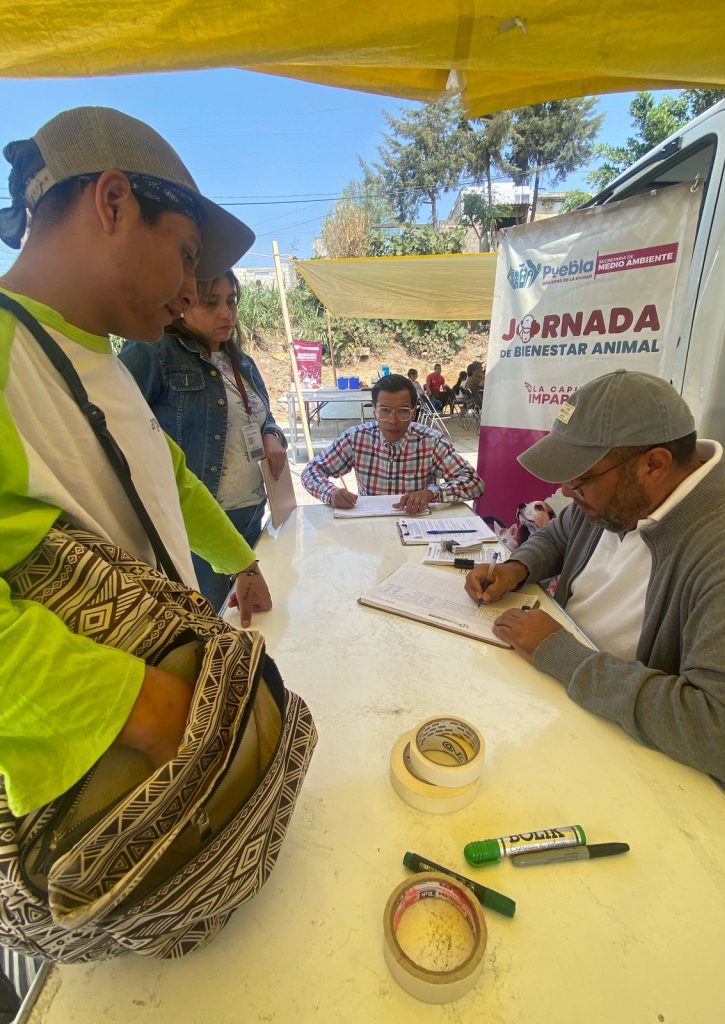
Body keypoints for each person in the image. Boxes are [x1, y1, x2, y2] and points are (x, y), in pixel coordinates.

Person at [0, 106, 270, 822]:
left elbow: (170, 478)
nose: (191, 290)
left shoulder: (104, 357)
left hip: (155, 767)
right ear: (114, 202)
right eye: (186, 254)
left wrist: (240, 560)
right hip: (91, 799)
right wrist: (147, 706)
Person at [465, 369, 725, 792]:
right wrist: (518, 568)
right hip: (562, 696)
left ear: (653, 464)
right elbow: (561, 532)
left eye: (581, 478)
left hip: (632, 765)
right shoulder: (622, 497)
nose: (567, 492)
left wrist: (560, 653)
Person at [120, 270, 287, 610]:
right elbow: (119, 427)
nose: (227, 313)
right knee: (210, 621)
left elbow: (263, 415)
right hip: (198, 527)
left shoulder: (241, 362)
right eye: (211, 303)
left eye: (231, 301)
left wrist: (272, 435)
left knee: (255, 617)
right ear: (180, 303)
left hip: (252, 513)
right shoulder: (154, 353)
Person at [300, 372, 484, 514]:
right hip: (370, 527)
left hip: (416, 525)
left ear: (414, 412)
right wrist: (331, 493)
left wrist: (432, 493)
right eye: (385, 411)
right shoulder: (356, 439)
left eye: (403, 411)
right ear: (374, 412)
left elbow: (474, 482)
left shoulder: (431, 441)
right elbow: (311, 471)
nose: (393, 420)